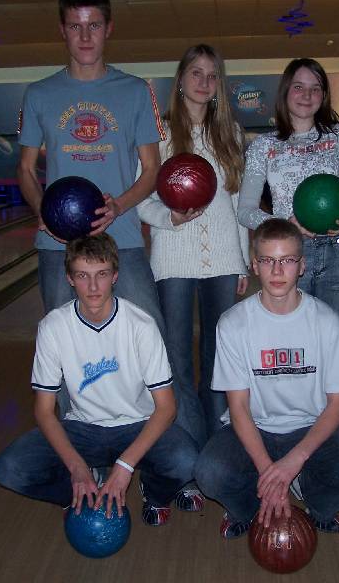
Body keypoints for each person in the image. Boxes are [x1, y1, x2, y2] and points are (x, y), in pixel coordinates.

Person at [194, 219, 339, 539]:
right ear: (255, 265)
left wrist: (294, 461)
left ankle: (314, 500)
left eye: (287, 260)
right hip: (255, 427)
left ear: (302, 265)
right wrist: (269, 471)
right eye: (268, 260)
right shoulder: (233, 324)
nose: (277, 270)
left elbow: (338, 405)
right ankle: (250, 508)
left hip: (311, 426)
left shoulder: (329, 323)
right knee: (208, 473)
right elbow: (238, 408)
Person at [0, 234, 199, 526]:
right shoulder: (53, 327)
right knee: (9, 469)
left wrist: (125, 466)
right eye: (82, 275)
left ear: (115, 276)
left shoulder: (140, 325)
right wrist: (76, 467)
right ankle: (81, 494)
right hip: (82, 428)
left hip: (137, 424)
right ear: (69, 278)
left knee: (187, 461)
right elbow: (44, 410)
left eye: (101, 274)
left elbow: (166, 408)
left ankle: (152, 491)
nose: (92, 286)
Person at [17, 0, 165, 334]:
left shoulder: (136, 91)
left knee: (151, 334)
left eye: (94, 25)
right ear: (62, 30)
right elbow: (25, 168)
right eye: (75, 26)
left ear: (108, 28)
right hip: (58, 244)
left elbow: (152, 169)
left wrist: (118, 207)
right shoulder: (38, 94)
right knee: (61, 342)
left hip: (122, 238)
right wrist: (44, 213)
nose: (85, 36)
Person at [137, 44, 250, 449]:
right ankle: (187, 445)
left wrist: (241, 262)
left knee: (219, 358)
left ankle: (217, 445)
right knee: (177, 358)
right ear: (181, 80)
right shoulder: (160, 135)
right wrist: (169, 218)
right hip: (172, 258)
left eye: (212, 75)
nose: (204, 82)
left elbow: (237, 202)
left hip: (223, 258)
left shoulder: (231, 134)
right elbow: (141, 201)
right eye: (196, 73)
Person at [238, 58, 339, 326]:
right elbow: (245, 211)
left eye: (315, 88)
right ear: (285, 91)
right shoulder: (264, 145)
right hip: (290, 254)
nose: (307, 95)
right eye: (298, 87)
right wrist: (284, 226)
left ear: (324, 95)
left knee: (336, 337)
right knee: (294, 339)